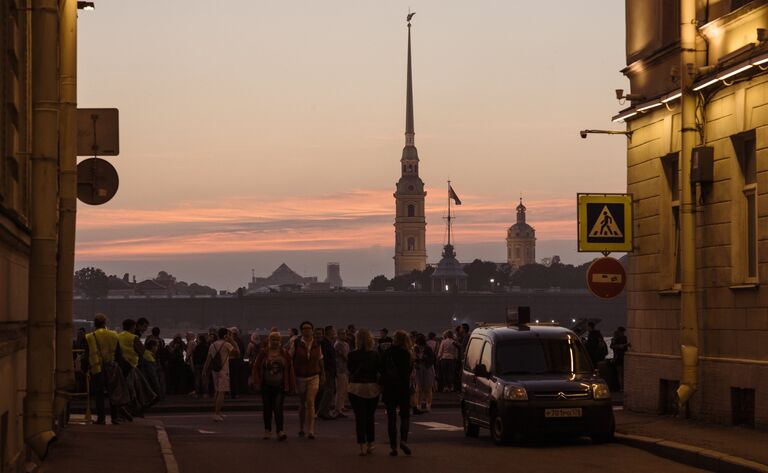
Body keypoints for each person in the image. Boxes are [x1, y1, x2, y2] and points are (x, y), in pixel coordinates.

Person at [85, 313, 127, 424]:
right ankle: (114, 418)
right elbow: (119, 353)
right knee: (113, 393)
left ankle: (101, 418)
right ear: (105, 323)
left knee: (99, 395)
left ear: (95, 324)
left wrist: (85, 369)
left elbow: (87, 354)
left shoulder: (90, 336)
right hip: (112, 368)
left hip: (97, 369)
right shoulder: (114, 335)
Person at [252, 331, 295, 441]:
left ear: (280, 341)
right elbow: (256, 368)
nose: (275, 342)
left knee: (278, 409)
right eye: (273, 340)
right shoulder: (263, 353)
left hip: (280, 386)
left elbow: (290, 370)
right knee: (267, 409)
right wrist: (256, 382)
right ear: (269, 341)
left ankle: (280, 430)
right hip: (266, 386)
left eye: (277, 340)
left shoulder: (285, 353)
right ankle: (267, 430)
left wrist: (291, 385)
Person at [380, 330, 414, 456]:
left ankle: (393, 446)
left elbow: (382, 369)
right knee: (405, 416)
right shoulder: (407, 354)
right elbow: (409, 372)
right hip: (403, 387)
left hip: (389, 387)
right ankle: (404, 440)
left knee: (391, 418)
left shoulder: (387, 352)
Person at [347, 329, 380, 456]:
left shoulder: (352, 355)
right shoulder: (375, 354)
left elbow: (350, 369)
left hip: (356, 387)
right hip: (371, 387)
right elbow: (378, 369)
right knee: (370, 416)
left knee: (359, 417)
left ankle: (361, 444)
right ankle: (370, 443)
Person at [289, 321, 324, 439]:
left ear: (312, 330)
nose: (307, 330)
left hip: (314, 375)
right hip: (300, 376)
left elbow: (320, 359)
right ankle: (301, 427)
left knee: (310, 401)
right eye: (304, 328)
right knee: (302, 403)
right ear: (301, 330)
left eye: (309, 328)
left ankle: (311, 430)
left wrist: (323, 374)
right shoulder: (296, 343)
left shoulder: (317, 344)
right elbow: (290, 358)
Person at [203, 327, 240, 422]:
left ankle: (217, 412)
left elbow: (208, 359)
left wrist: (204, 370)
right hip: (223, 370)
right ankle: (216, 413)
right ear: (225, 335)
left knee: (217, 391)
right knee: (222, 392)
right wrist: (232, 341)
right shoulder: (227, 344)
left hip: (215, 370)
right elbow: (237, 353)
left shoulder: (212, 345)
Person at [316, 325, 337, 420]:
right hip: (328, 371)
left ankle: (323, 411)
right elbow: (324, 359)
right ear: (329, 332)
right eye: (334, 331)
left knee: (329, 391)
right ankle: (323, 412)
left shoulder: (327, 343)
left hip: (330, 371)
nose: (335, 333)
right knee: (328, 391)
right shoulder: (325, 343)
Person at [413, 333, 436, 413]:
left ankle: (428, 405)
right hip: (419, 368)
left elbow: (432, 360)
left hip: (427, 368)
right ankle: (418, 404)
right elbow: (413, 358)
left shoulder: (428, 349)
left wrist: (423, 358)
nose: (417, 345)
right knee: (419, 388)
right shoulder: (415, 348)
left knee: (428, 388)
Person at [334, 328, 350, 417]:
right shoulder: (338, 344)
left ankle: (341, 406)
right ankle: (338, 409)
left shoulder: (345, 344)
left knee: (344, 389)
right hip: (340, 369)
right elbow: (344, 356)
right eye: (342, 334)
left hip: (344, 369)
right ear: (338, 335)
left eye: (345, 334)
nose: (344, 335)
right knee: (340, 390)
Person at [610, 327, 630, 391]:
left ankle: (621, 387)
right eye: (623, 332)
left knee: (620, 373)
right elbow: (613, 346)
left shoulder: (618, 338)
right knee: (621, 373)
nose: (623, 333)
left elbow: (612, 346)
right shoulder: (621, 338)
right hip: (620, 358)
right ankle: (622, 387)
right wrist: (623, 346)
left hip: (619, 358)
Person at [191, 334, 209, 399]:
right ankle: (205, 393)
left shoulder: (197, 347)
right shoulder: (207, 347)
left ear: (200, 340)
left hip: (198, 364)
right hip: (205, 364)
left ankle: (197, 393)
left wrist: (193, 364)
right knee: (205, 379)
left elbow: (194, 356)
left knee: (197, 379)